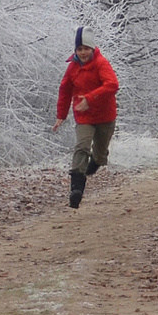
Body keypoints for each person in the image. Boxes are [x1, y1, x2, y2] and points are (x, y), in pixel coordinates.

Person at [54, 26, 118, 209]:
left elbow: (112, 84)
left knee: (99, 153)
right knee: (81, 146)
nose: (82, 52)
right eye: (79, 49)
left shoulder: (101, 63)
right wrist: (61, 115)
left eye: (86, 48)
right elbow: (65, 90)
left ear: (92, 48)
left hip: (105, 116)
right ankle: (76, 190)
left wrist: (90, 99)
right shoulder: (72, 67)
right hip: (83, 117)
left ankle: (98, 160)